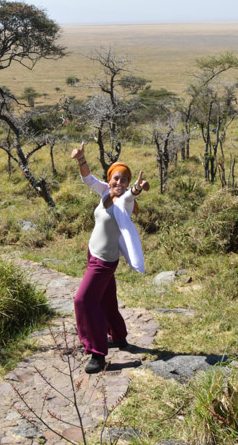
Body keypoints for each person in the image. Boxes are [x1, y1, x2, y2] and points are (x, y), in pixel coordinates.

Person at [71, 141, 149, 374]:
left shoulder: (125, 200)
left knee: (83, 301)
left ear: (127, 183)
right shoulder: (104, 190)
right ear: (110, 178)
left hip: (104, 262)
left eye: (123, 179)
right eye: (116, 178)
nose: (119, 183)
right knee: (106, 299)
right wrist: (81, 159)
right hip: (93, 254)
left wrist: (136, 189)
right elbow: (88, 179)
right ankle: (119, 336)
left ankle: (97, 352)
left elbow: (130, 196)